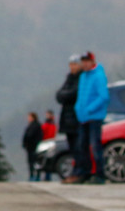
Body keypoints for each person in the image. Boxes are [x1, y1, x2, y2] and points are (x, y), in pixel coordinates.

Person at [65, 51, 109, 185]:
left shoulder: (99, 75)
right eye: (82, 61)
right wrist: (79, 109)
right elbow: (81, 96)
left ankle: (100, 174)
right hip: (83, 117)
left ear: (92, 62)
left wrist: (90, 109)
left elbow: (104, 96)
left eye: (87, 61)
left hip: (94, 117)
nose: (84, 64)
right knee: (82, 146)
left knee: (95, 146)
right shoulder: (84, 76)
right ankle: (86, 172)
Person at [56, 54, 81, 183]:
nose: (72, 67)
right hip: (67, 120)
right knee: (72, 149)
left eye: (75, 64)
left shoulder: (81, 78)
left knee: (78, 148)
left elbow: (72, 94)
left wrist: (65, 95)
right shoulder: (69, 78)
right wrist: (65, 95)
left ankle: (78, 173)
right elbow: (59, 95)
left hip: (77, 118)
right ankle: (74, 172)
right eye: (71, 64)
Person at [22, 112, 43, 181]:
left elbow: (29, 135)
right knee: (35, 162)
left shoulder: (34, 125)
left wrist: (26, 142)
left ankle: (34, 176)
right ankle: (35, 176)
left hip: (33, 147)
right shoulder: (34, 125)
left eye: (29, 117)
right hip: (32, 146)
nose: (28, 119)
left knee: (33, 162)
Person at [39, 109, 56, 181]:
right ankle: (46, 176)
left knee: (46, 160)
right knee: (46, 160)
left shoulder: (49, 124)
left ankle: (47, 176)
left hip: (47, 143)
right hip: (48, 142)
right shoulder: (52, 124)